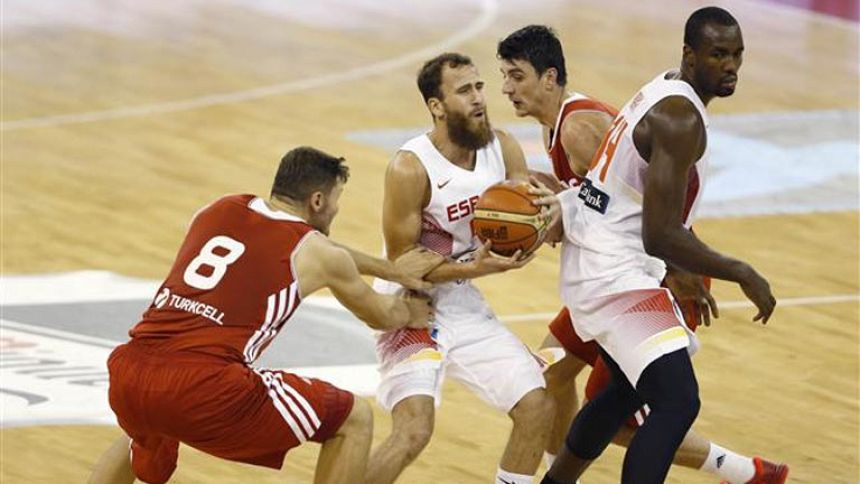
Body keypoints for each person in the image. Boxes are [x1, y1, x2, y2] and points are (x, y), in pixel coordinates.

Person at [498, 24, 788, 484]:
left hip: (616, 264)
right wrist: (742, 271)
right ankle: (743, 472)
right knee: (676, 403)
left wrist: (562, 207)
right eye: (718, 55)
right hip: (628, 270)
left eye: (737, 55)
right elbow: (655, 230)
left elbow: (608, 192)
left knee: (618, 396)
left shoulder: (662, 87)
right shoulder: (677, 117)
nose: (730, 66)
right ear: (690, 56)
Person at [88, 146, 444, 484]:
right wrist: (411, 311)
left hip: (130, 374)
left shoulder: (218, 208)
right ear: (317, 201)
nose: (336, 210)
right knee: (353, 417)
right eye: (336, 200)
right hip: (206, 387)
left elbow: (319, 247)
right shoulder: (318, 252)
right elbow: (380, 315)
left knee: (147, 423)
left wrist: (388, 269)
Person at [365, 53, 554, 484]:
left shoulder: (501, 147)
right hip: (410, 307)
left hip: (462, 301)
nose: (479, 98)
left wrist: (541, 224)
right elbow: (403, 263)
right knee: (414, 431)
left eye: (480, 87)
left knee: (537, 407)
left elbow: (530, 216)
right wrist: (478, 268)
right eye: (464, 91)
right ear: (436, 105)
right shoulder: (411, 166)